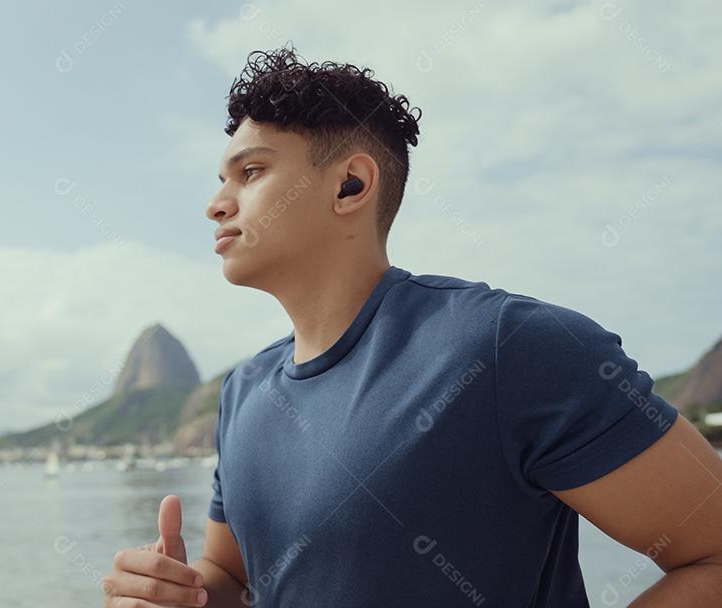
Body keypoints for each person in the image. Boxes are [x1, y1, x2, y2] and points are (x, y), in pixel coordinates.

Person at [103, 45, 722, 607]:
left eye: (252, 172)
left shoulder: (507, 347)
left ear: (350, 185)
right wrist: (172, 594)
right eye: (221, 181)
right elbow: (232, 578)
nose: (216, 203)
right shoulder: (242, 392)